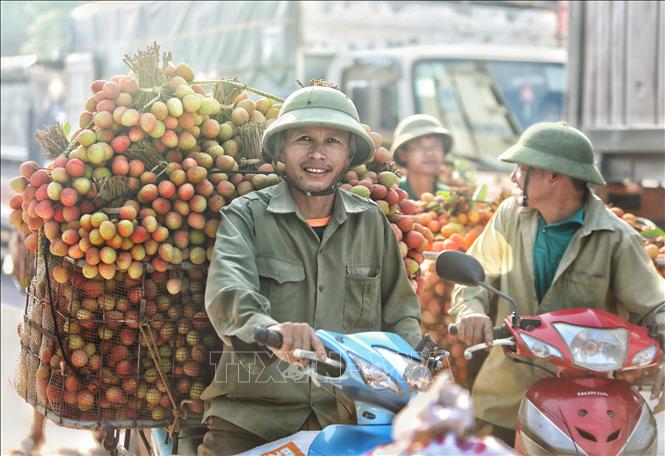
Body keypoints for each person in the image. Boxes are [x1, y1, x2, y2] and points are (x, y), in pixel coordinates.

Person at [199, 86, 423, 455]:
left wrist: (415, 371)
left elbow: (401, 315)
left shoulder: (371, 224)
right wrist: (271, 329)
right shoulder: (246, 216)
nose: (317, 153)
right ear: (282, 151)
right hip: (253, 419)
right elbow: (230, 292)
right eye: (304, 139)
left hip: (347, 419)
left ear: (349, 154)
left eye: (332, 141)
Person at [450, 121, 665, 446]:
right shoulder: (510, 217)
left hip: (584, 410)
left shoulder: (617, 238)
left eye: (522, 169)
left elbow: (655, 307)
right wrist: (471, 309)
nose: (513, 178)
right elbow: (475, 277)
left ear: (553, 177)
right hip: (504, 400)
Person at [389, 114, 454, 200]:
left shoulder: (451, 198)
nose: (429, 153)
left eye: (435, 145)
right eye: (419, 147)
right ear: (403, 155)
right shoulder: (391, 194)